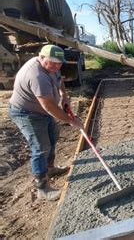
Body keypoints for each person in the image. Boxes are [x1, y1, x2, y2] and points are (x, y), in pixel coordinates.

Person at [9, 44, 84, 201]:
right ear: (41, 57)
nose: (57, 66)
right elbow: (49, 106)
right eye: (53, 62)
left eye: (60, 63)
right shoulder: (37, 75)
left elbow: (59, 78)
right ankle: (42, 188)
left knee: (52, 137)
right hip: (27, 113)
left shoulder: (52, 66)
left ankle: (50, 168)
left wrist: (63, 95)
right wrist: (71, 121)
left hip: (43, 111)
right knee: (41, 147)